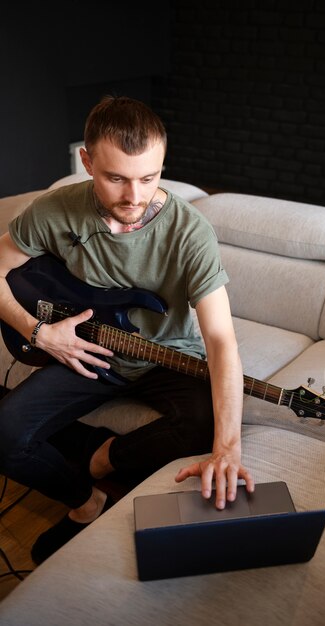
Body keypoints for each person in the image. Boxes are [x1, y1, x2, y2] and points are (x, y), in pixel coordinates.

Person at [0, 95, 254, 564]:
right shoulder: (55, 209)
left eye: (149, 177)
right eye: (115, 178)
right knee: (6, 433)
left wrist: (228, 449)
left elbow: (220, 340)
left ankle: (100, 458)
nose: (134, 197)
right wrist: (38, 332)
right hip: (91, 348)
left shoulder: (190, 232)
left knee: (207, 424)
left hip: (167, 354)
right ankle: (86, 502)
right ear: (87, 161)